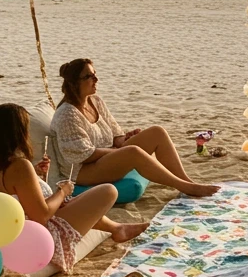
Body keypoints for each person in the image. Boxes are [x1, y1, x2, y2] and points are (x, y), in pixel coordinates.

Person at [0, 104, 150, 274]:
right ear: (18, 132)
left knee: (72, 202)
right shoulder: (19, 166)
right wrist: (63, 191)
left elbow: (12, 192)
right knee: (108, 192)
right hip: (40, 234)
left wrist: (35, 174)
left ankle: (117, 228)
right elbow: (41, 216)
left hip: (12, 227)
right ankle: (116, 228)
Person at [51, 58, 219, 198]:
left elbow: (116, 134)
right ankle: (184, 187)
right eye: (89, 76)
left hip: (104, 157)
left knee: (156, 132)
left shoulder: (95, 101)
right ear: (74, 83)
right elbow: (84, 155)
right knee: (133, 152)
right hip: (82, 171)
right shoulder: (67, 114)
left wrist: (125, 140)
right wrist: (121, 151)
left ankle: (186, 181)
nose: (96, 80)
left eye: (95, 74)